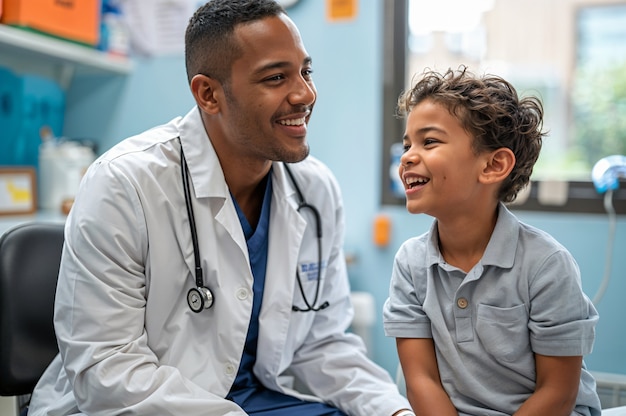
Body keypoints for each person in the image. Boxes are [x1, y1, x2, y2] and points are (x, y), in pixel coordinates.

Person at [27, 1, 413, 415]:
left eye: (306, 71)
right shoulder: (124, 185)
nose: (305, 94)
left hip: (265, 398)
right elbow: (108, 371)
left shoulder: (314, 190)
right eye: (276, 77)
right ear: (208, 94)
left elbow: (323, 344)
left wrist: (391, 409)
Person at [382, 66, 602, 416]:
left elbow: (557, 394)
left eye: (430, 141)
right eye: (408, 144)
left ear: (493, 165)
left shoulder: (546, 265)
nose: (407, 156)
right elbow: (421, 380)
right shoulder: (410, 264)